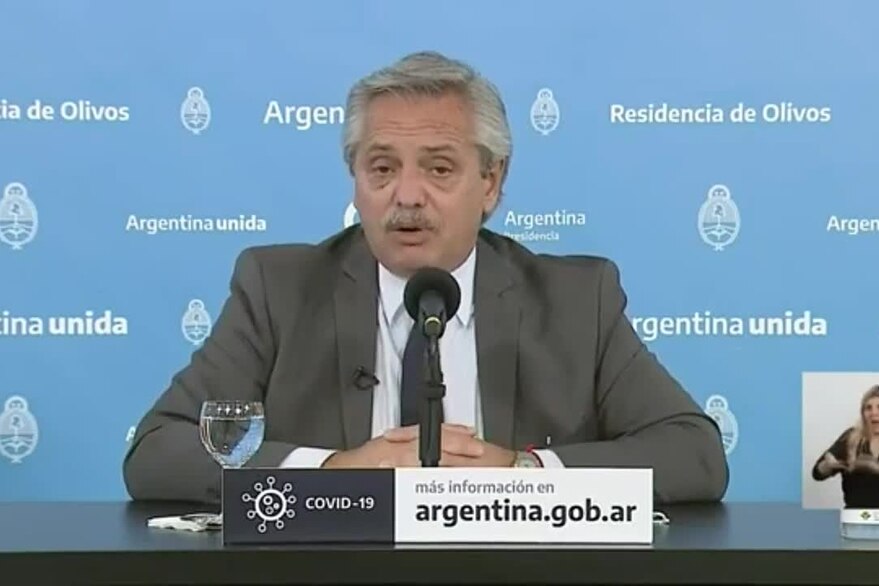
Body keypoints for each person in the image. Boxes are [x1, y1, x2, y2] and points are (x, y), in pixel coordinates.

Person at [123, 51, 728, 505]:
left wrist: (522, 475)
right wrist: (333, 472)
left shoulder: (575, 301)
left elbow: (693, 453)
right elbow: (159, 450)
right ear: (355, 178)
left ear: (490, 183)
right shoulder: (278, 289)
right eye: (382, 168)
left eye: (439, 169)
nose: (407, 196)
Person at [812, 385, 879, 508]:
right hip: (855, 515)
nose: (873, 413)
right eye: (868, 408)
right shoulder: (850, 438)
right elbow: (817, 473)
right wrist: (827, 466)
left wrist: (873, 467)